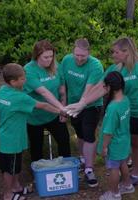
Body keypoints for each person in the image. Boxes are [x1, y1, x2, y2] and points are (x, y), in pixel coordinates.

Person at [65, 37, 138, 200]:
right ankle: (136, 173)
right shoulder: (116, 68)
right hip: (131, 113)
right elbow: (100, 87)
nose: (113, 55)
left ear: (126, 52)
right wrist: (82, 103)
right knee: (134, 145)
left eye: (116, 52)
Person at [0, 63, 64, 200]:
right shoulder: (19, 98)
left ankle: (16, 187)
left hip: (7, 134)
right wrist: (62, 111)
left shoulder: (1, 91)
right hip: (12, 139)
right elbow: (43, 105)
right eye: (22, 79)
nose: (25, 81)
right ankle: (8, 194)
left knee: (15, 165)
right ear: (13, 81)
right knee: (9, 168)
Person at [60, 38, 104, 187]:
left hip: (91, 104)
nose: (79, 59)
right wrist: (64, 105)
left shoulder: (96, 66)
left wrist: (81, 104)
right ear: (73, 51)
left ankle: (89, 169)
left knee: (89, 133)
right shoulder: (66, 60)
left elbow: (89, 89)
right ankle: (83, 159)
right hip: (73, 103)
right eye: (77, 55)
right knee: (79, 133)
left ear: (89, 53)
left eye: (83, 56)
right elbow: (62, 84)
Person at [24, 40, 71, 163]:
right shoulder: (29, 71)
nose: (49, 60)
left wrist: (63, 106)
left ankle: (66, 167)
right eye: (45, 57)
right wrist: (63, 109)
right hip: (35, 116)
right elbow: (44, 93)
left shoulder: (56, 66)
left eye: (51, 56)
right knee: (36, 147)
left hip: (54, 113)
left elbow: (62, 89)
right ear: (37, 56)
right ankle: (38, 173)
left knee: (64, 140)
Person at [97, 71, 135, 200]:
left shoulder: (113, 108)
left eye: (104, 86)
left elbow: (108, 131)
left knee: (113, 167)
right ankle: (128, 185)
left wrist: (104, 147)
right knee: (123, 162)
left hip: (115, 143)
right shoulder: (126, 99)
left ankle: (114, 193)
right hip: (125, 140)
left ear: (109, 87)